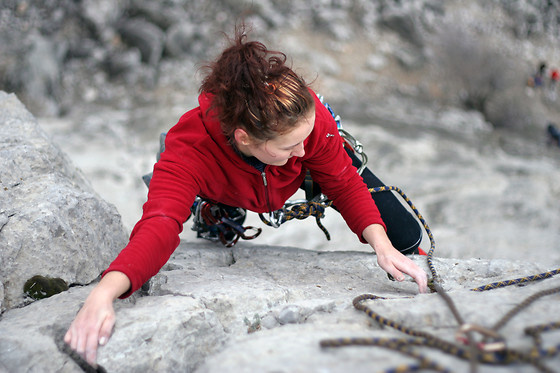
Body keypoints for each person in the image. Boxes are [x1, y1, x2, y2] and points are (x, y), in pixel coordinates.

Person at [64, 25, 428, 365]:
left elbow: (344, 183)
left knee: (405, 236)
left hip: (288, 174)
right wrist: (103, 294)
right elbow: (158, 227)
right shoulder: (189, 152)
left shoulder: (307, 126)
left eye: (305, 135)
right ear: (244, 137)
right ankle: (216, 205)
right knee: (217, 231)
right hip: (225, 180)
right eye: (291, 143)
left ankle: (267, 181)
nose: (303, 148)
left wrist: (383, 247)